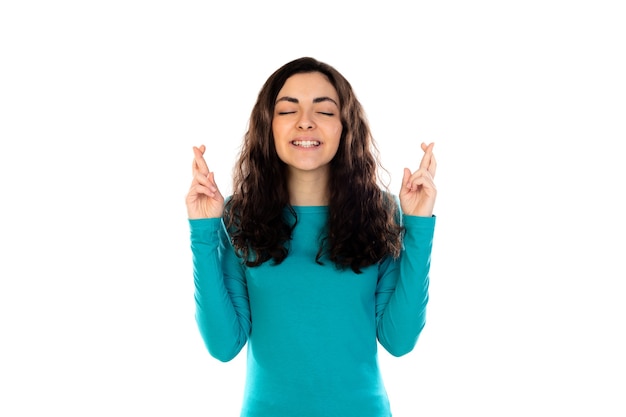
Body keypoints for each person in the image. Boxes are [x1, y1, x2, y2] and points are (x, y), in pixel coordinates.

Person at [186, 56, 437, 417]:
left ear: (345, 126)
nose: (305, 121)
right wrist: (204, 229)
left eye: (324, 110)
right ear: (268, 127)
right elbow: (223, 345)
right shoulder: (239, 216)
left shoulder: (380, 211)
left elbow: (399, 341)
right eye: (288, 111)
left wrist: (417, 225)